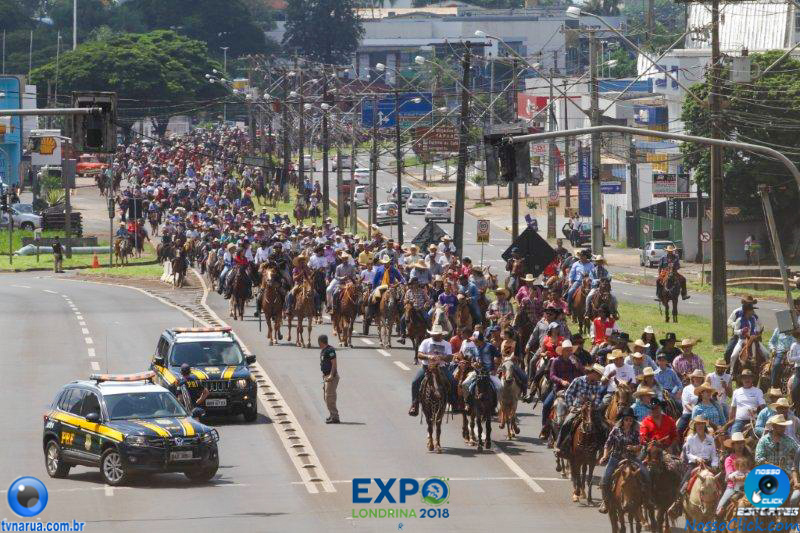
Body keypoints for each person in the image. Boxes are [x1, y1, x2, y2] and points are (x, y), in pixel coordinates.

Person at [555, 363, 606, 456]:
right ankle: (559, 444)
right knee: (567, 422)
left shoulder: (598, 385)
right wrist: (570, 406)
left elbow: (598, 399)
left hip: (591, 410)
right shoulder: (578, 380)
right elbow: (568, 394)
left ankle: (601, 448)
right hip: (577, 408)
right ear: (593, 373)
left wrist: (594, 406)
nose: (599, 378)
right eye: (599, 375)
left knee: (602, 426)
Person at [598, 407, 642, 514]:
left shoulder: (635, 433)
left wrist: (634, 448)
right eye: (626, 420)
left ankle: (644, 500)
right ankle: (606, 501)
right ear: (622, 420)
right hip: (616, 458)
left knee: (644, 475)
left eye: (630, 420)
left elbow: (639, 446)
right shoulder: (615, 430)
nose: (628, 422)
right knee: (605, 479)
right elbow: (608, 444)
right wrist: (604, 455)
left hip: (630, 459)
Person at [408, 325, 457, 416]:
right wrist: (428, 356)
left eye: (436, 334)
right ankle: (414, 404)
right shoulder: (426, 342)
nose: (434, 336)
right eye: (433, 334)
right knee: (415, 382)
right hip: (427, 367)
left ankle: (454, 402)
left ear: (441, 335)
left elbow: (450, 357)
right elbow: (419, 354)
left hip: (441, 368)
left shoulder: (446, 344)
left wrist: (442, 357)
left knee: (453, 381)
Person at [541, 339, 583, 438]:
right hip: (559, 388)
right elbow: (552, 376)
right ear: (563, 351)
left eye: (570, 350)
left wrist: (579, 366)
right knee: (546, 405)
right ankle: (544, 427)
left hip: (573, 389)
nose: (569, 352)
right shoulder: (556, 361)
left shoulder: (575, 361)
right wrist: (561, 381)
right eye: (567, 350)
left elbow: (583, 373)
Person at [715, 433, 752, 516]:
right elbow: (729, 475)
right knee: (720, 509)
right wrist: (743, 478)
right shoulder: (729, 459)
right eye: (737, 443)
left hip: (748, 487)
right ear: (733, 445)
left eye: (741, 443)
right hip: (732, 488)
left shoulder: (748, 458)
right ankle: (717, 521)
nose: (740, 445)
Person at [729, 369, 766, 435]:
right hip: (739, 420)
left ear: (752, 379)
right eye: (745, 378)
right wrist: (730, 423)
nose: (747, 379)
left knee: (758, 436)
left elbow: (763, 407)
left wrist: (756, 410)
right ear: (741, 379)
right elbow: (733, 409)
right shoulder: (736, 392)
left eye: (749, 377)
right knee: (733, 437)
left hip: (754, 420)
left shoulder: (758, 391)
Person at [725, 296, 759, 364]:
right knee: (728, 351)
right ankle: (729, 367)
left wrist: (756, 332)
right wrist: (737, 326)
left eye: (751, 303)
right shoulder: (737, 311)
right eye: (748, 303)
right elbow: (729, 321)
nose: (750, 305)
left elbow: (758, 324)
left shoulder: (754, 315)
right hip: (737, 336)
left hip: (751, 337)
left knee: (763, 352)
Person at [318, 334, 339, 424]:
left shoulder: (330, 350)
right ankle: (331, 414)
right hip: (326, 376)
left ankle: (335, 417)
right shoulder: (324, 350)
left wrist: (331, 375)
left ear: (320, 342)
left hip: (331, 377)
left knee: (330, 397)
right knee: (326, 397)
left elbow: (334, 363)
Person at [677, 369, 706, 434]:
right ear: (693, 378)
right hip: (689, 413)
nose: (698, 379)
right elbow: (686, 404)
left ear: (702, 379)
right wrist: (695, 411)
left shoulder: (705, 388)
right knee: (678, 430)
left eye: (700, 378)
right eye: (696, 377)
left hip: (704, 413)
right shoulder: (687, 389)